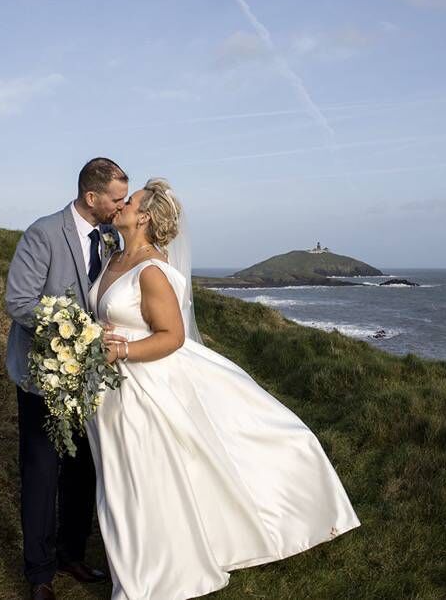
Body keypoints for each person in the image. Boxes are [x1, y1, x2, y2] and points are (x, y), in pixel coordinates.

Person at [87, 178, 361, 599]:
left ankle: (149, 576)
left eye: (131, 201)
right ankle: (145, 558)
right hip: (110, 386)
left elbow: (172, 337)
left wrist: (121, 350)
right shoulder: (115, 257)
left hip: (140, 384)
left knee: (138, 478)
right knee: (120, 475)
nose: (121, 204)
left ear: (143, 218)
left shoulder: (152, 271)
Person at [4, 157, 129, 600]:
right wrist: (77, 333)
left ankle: (71, 553)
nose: (122, 206)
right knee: (42, 471)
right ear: (91, 197)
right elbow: (19, 302)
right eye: (117, 199)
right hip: (44, 374)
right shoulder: (42, 234)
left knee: (83, 468)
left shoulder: (111, 237)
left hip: (91, 379)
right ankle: (39, 573)